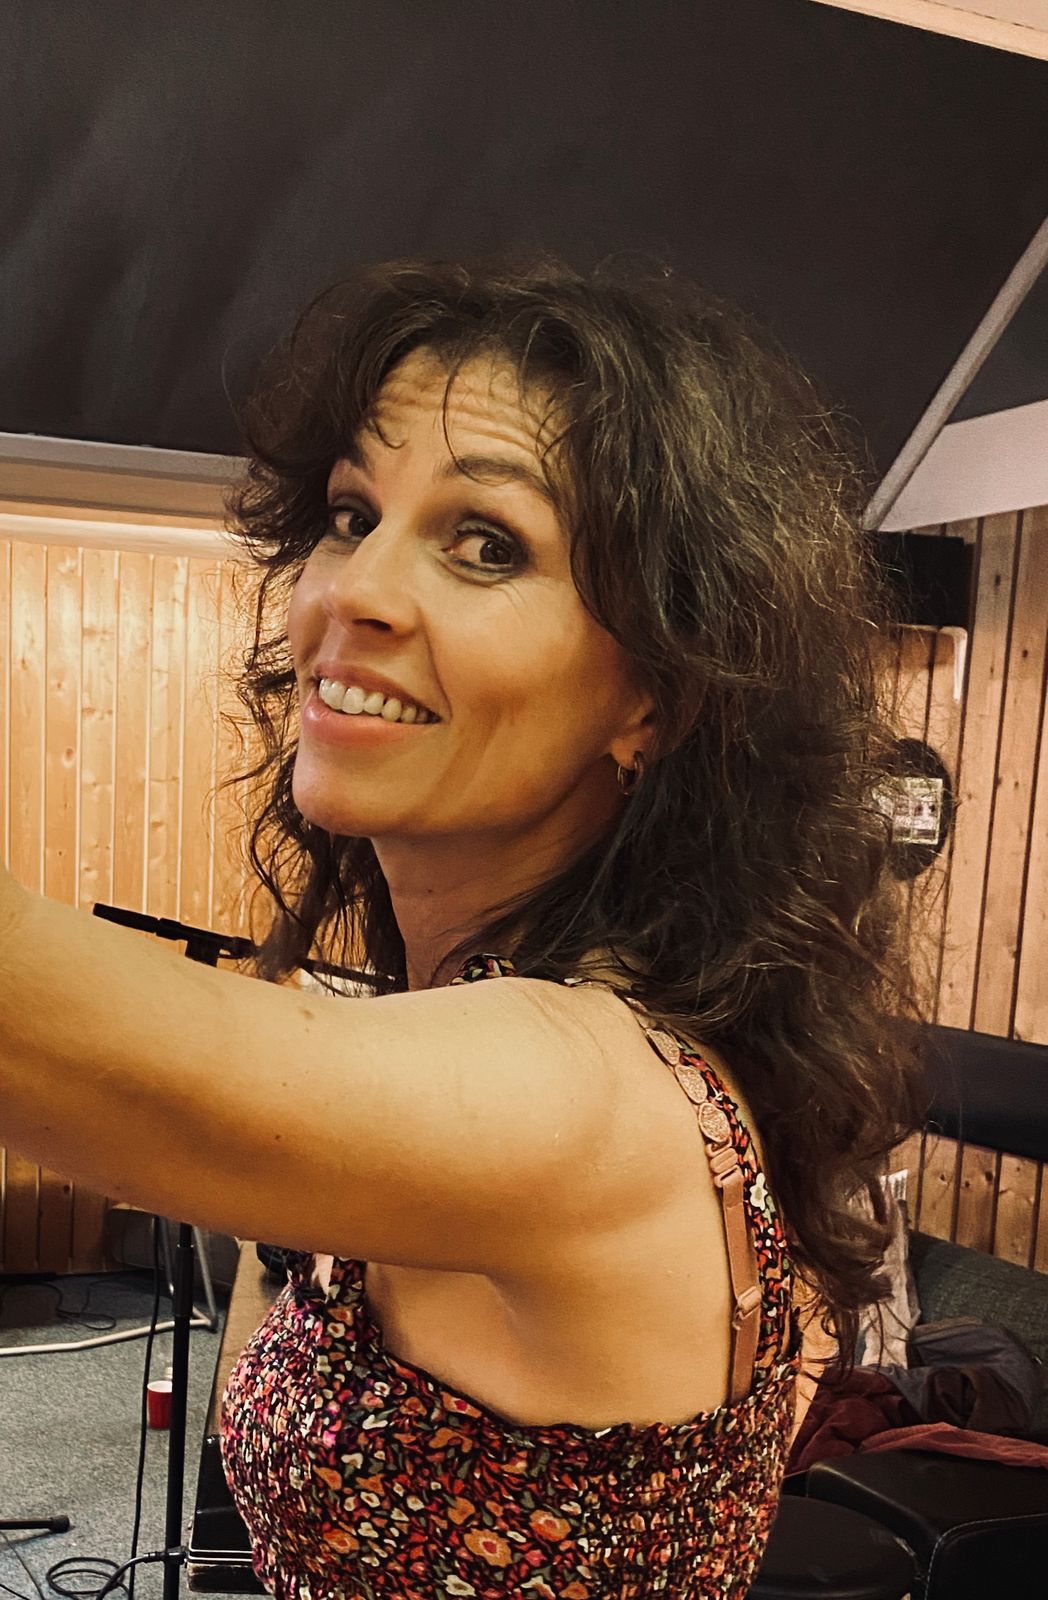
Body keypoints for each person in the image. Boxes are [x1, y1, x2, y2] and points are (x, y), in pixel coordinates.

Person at [0, 256, 926, 1598]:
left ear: (655, 700)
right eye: (352, 514)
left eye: (487, 544)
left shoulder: (588, 1090)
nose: (355, 591)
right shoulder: (516, 1029)